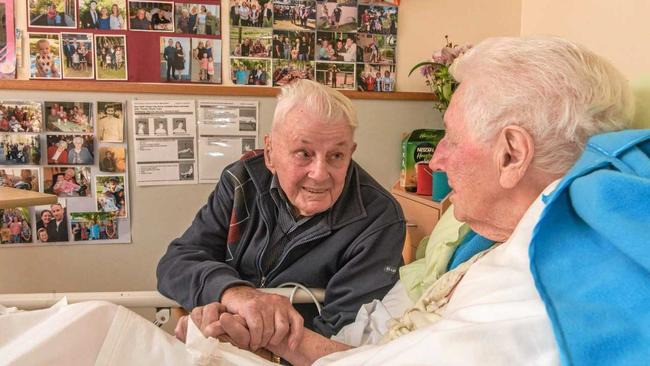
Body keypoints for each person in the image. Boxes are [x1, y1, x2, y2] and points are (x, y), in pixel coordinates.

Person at [171, 36, 648, 365]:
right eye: (302, 153)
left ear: (511, 154)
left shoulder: (540, 284)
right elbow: (374, 350)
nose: (435, 160)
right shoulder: (472, 239)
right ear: (271, 153)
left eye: (451, 138)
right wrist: (248, 319)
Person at [157, 79, 405, 346]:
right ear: (270, 153)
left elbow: (343, 340)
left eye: (336, 155)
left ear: (351, 152)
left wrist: (242, 338)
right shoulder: (243, 181)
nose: (320, 174)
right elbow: (176, 263)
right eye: (303, 153)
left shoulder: (379, 219)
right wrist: (235, 294)